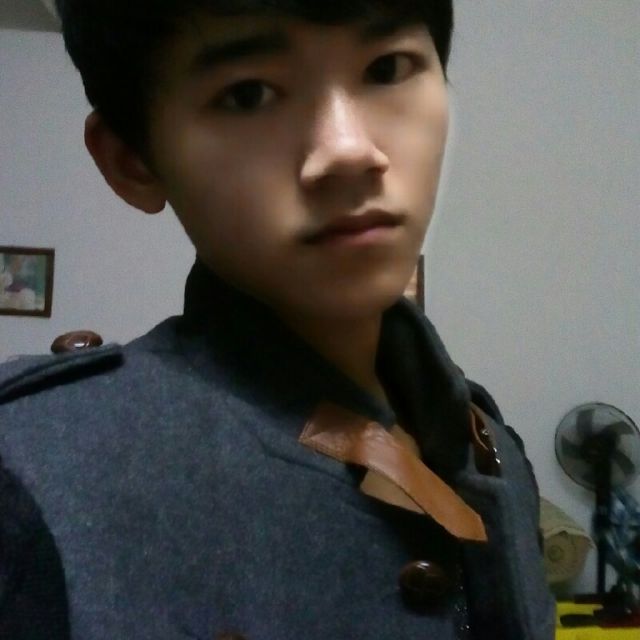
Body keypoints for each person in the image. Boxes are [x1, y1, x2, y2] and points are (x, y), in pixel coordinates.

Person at [0, 1, 554, 638]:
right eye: (248, 94)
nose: (349, 151)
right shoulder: (37, 473)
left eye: (387, 68)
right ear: (133, 160)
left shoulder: (492, 449)